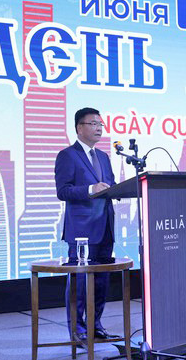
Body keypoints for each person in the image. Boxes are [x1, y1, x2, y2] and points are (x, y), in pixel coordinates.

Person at [55, 107, 118, 343]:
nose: (99, 128)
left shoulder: (103, 157)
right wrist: (91, 189)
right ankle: (77, 329)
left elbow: (110, 185)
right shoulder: (67, 155)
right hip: (81, 231)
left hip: (105, 227)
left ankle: (95, 325)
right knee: (80, 283)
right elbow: (63, 191)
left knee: (101, 281)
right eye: (93, 123)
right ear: (79, 128)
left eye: (100, 124)